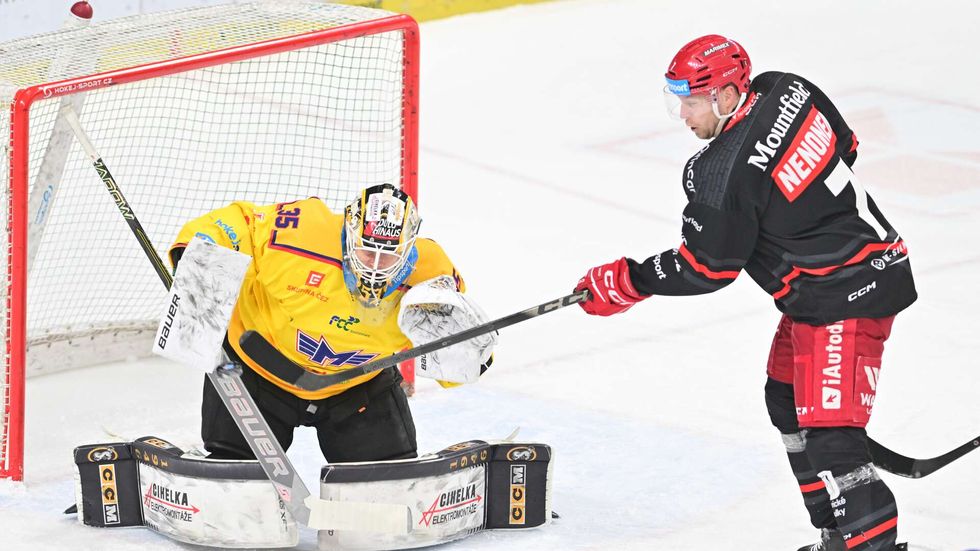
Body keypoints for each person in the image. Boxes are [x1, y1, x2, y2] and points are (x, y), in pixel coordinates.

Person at [574, 35, 914, 551]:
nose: (683, 116)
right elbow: (847, 147)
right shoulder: (788, 88)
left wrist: (628, 281)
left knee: (831, 437)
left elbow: (707, 269)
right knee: (785, 398)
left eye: (690, 102)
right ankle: (838, 536)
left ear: (727, 95)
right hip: (836, 280)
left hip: (846, 293)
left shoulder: (718, 173)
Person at [167, 183, 494, 464]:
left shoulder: (432, 275)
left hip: (356, 390)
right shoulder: (300, 234)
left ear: (409, 249)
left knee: (385, 486)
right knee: (235, 474)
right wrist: (199, 252)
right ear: (348, 237)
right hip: (257, 375)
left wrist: (470, 355)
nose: (376, 268)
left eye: (390, 257)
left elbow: (455, 358)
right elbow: (240, 223)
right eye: (367, 253)